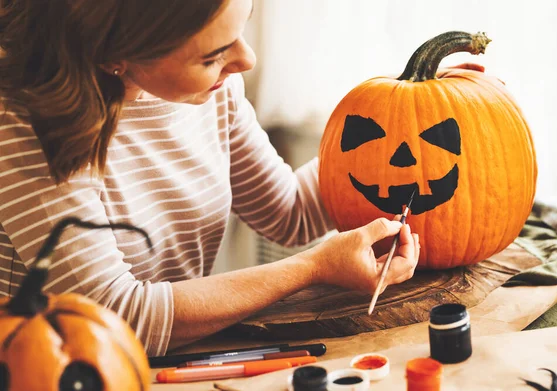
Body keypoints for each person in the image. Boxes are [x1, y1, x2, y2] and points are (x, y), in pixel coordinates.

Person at [0, 0, 420, 356]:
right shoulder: (24, 125)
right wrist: (314, 267)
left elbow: (288, 212)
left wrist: (407, 129)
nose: (246, 60)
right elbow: (116, 316)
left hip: (180, 359)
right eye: (213, 55)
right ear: (114, 54)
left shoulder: (215, 91)